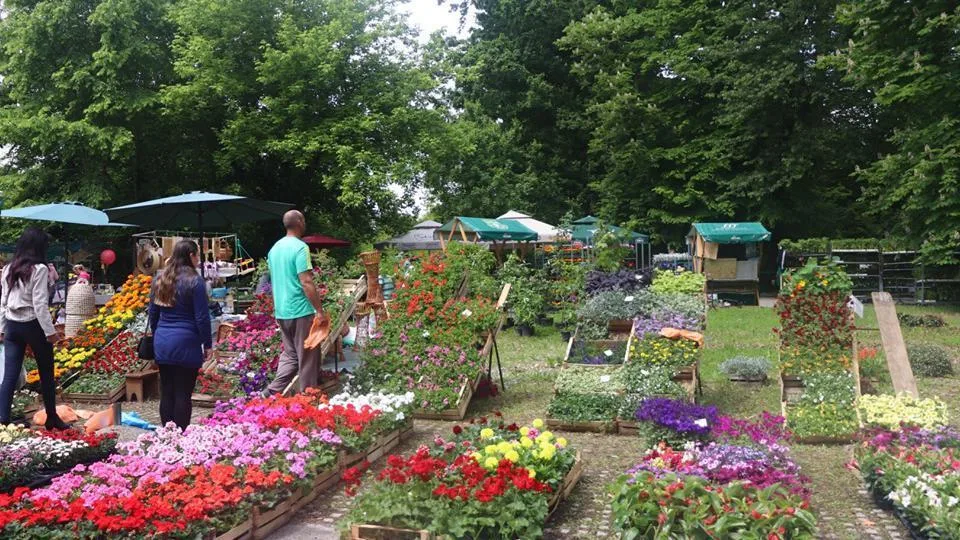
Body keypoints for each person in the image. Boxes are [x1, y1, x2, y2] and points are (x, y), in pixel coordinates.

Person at [0, 228, 69, 429]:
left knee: (10, 374)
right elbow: (39, 304)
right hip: (33, 324)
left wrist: (2, 328)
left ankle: (3, 419)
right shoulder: (39, 269)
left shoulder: (8, 268)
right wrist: (50, 333)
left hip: (12, 324)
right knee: (46, 372)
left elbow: (3, 301)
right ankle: (51, 418)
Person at [148, 240, 211, 430]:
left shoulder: (160, 279)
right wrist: (207, 344)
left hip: (163, 340)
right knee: (183, 392)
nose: (198, 259)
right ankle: (181, 436)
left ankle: (167, 435)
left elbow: (153, 314)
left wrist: (157, 335)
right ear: (191, 255)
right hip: (186, 341)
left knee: (167, 392)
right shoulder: (195, 281)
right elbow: (202, 317)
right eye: (197, 255)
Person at [264, 210, 324, 395]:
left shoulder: (274, 250)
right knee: (308, 359)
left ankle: (270, 393)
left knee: (291, 356)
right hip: (301, 311)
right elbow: (306, 281)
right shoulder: (300, 247)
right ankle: (309, 399)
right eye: (303, 220)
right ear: (299, 222)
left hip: (282, 312)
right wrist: (319, 311)